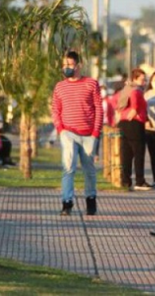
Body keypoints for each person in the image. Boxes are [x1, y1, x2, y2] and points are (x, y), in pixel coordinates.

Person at [52, 51, 103, 216]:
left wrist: (96, 132)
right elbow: (55, 110)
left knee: (89, 169)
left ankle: (91, 200)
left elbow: (98, 109)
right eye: (64, 65)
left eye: (69, 64)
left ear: (78, 65)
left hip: (88, 134)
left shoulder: (91, 84)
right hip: (68, 133)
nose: (66, 67)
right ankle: (67, 202)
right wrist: (60, 129)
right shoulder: (60, 87)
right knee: (68, 168)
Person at [117, 68, 152, 190]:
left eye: (145, 80)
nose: (144, 82)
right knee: (138, 153)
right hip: (135, 124)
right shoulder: (136, 90)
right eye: (142, 79)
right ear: (135, 79)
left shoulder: (126, 89)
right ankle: (139, 181)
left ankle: (125, 180)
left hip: (124, 123)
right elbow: (135, 106)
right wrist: (134, 112)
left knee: (126, 153)